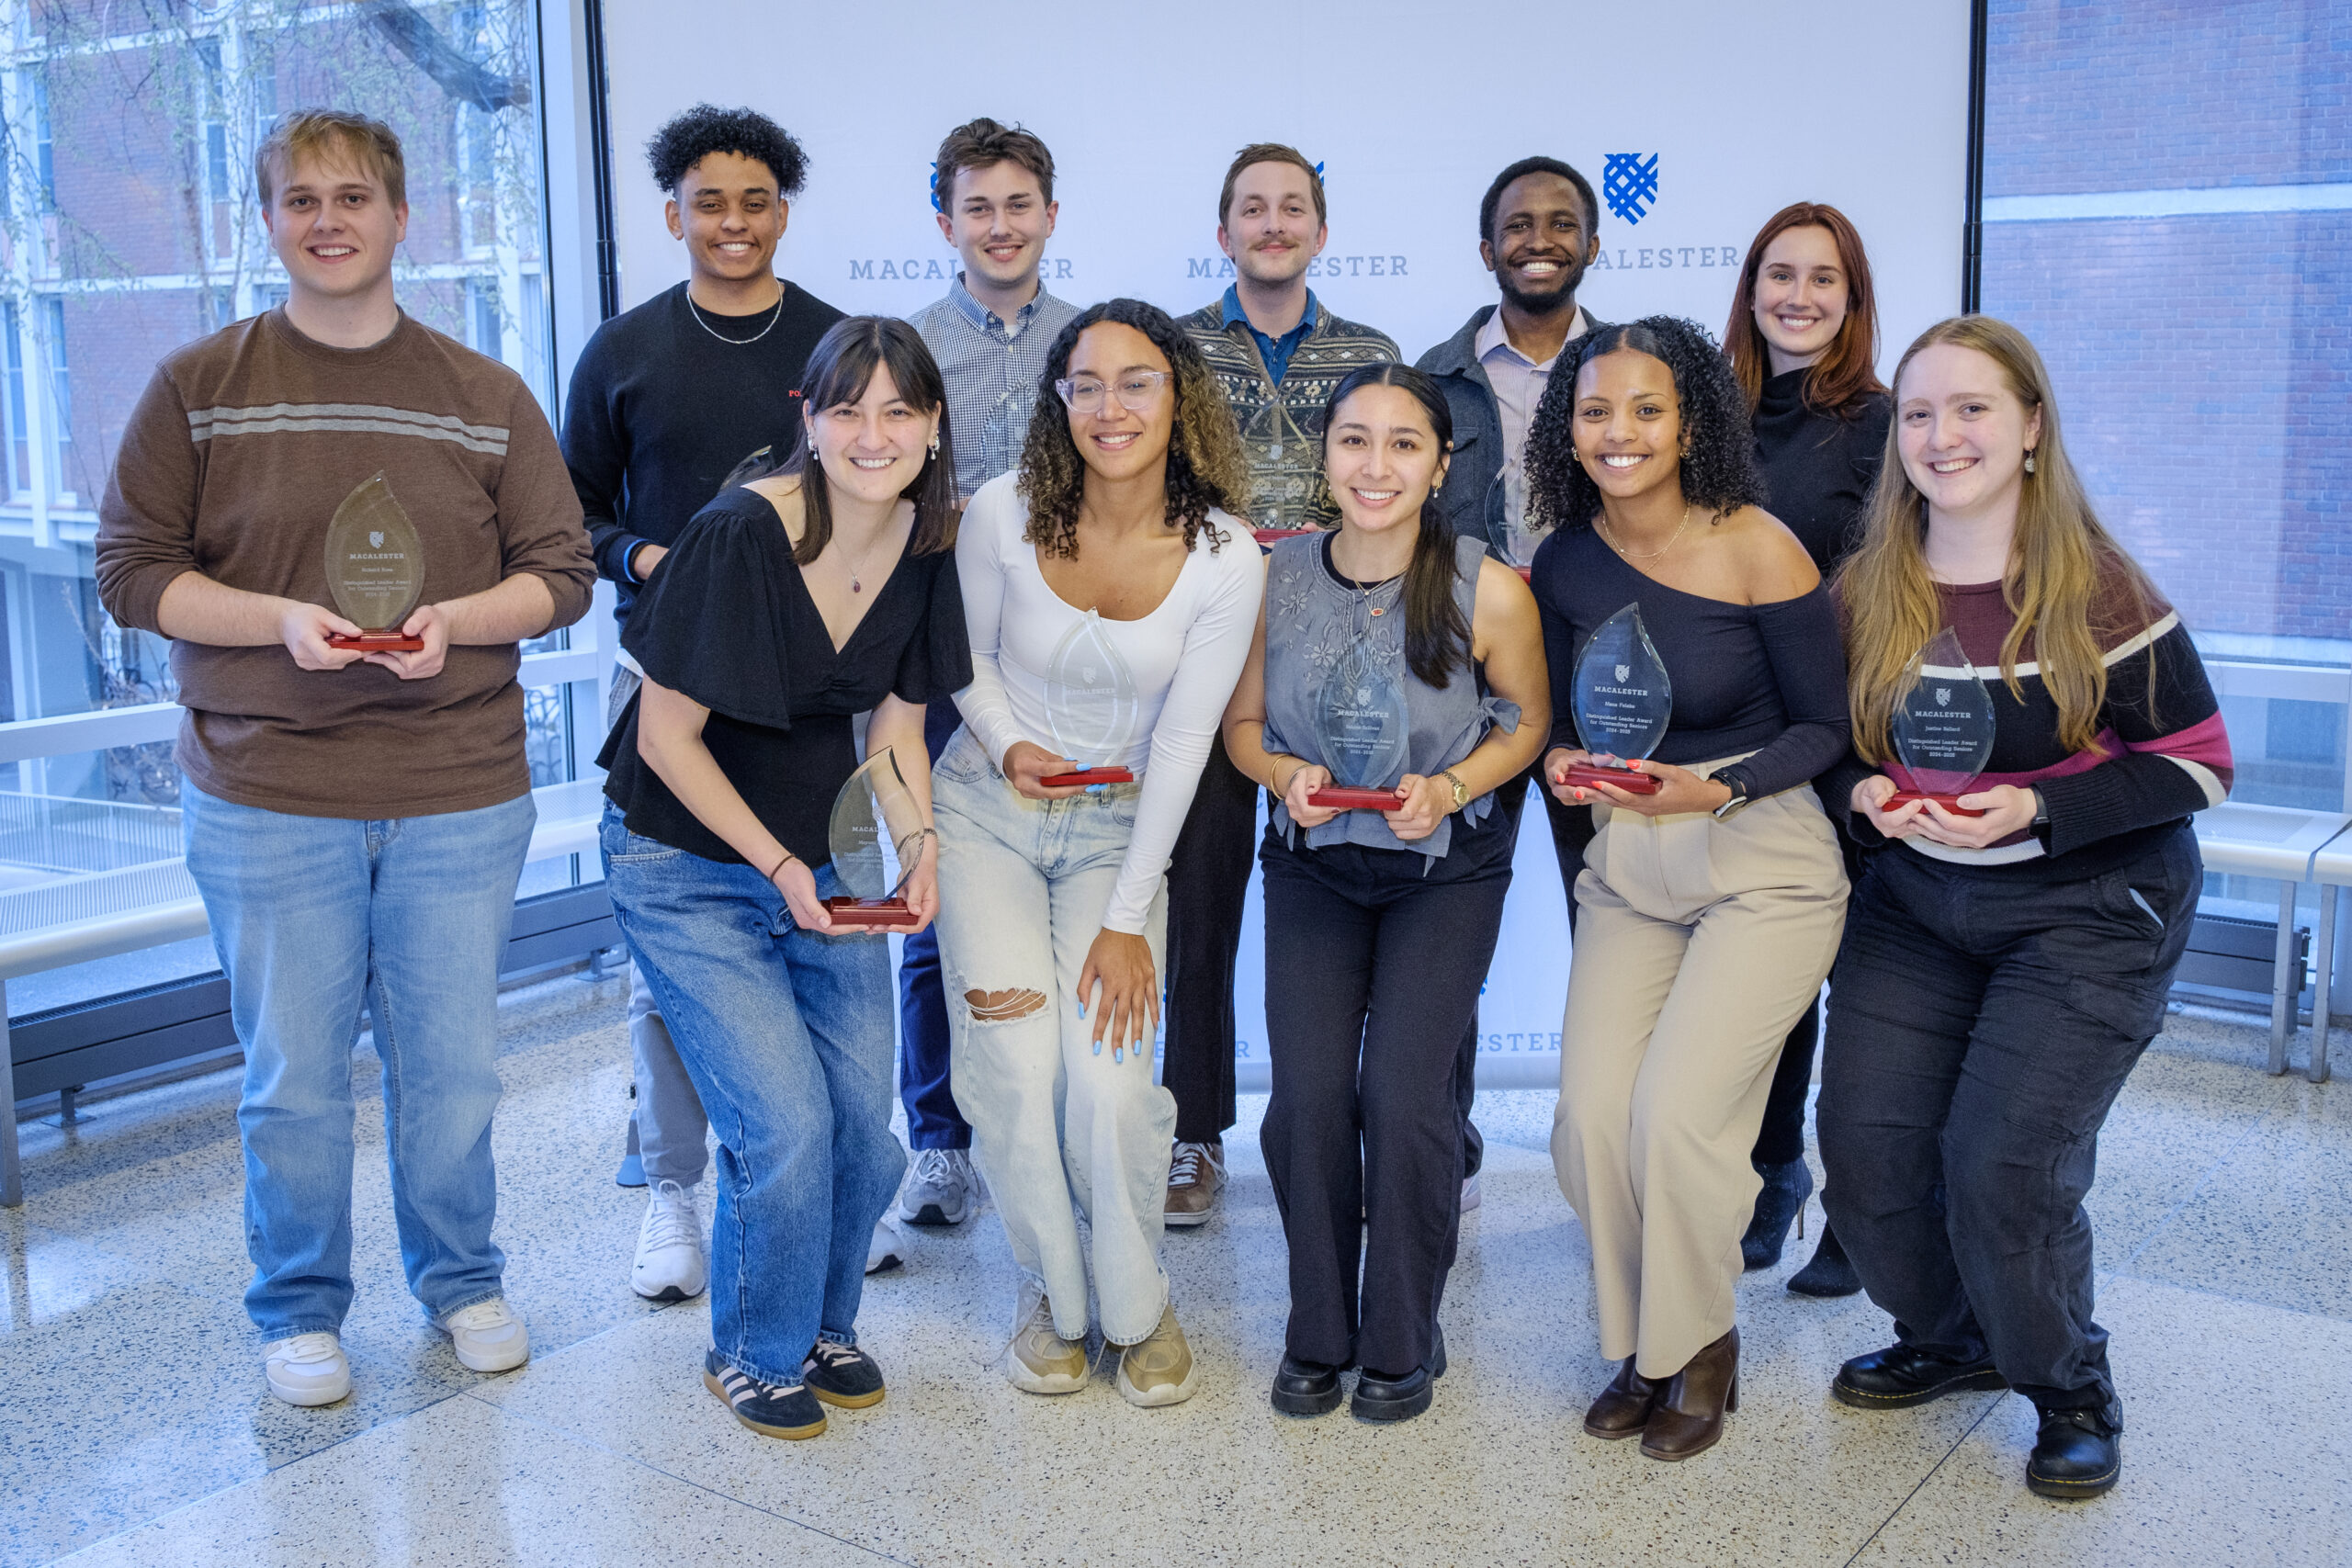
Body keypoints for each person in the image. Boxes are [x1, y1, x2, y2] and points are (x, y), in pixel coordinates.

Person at [93, 109, 594, 1407]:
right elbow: (131, 574)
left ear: (401, 216)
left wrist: (456, 622)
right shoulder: (197, 386)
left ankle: (462, 1277)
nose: (329, 218)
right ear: (267, 220)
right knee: (293, 1082)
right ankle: (301, 1306)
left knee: (455, 1069)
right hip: (270, 793)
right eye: (300, 197)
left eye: (355, 195)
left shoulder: (485, 396)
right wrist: (278, 624)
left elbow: (563, 574)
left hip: (455, 790)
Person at [1815, 316, 2229, 1501]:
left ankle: (2067, 1386)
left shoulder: (2098, 589)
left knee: (2002, 1165)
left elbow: (2197, 763)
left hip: (2089, 909)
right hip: (1919, 906)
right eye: (1919, 413)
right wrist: (1869, 794)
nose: (1943, 436)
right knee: (1867, 1151)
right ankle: (1954, 1339)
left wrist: (2033, 811)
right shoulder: (1867, 589)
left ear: (2032, 427)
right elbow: (1827, 750)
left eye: (1972, 409)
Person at [595, 318, 971, 1441]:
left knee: (865, 1126)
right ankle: (750, 1352)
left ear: (932, 425)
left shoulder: (926, 542)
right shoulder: (738, 534)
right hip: (686, 859)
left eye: (899, 411)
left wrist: (920, 846)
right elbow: (666, 739)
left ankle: (819, 1325)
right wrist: (775, 866)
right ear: (807, 419)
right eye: (846, 410)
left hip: (827, 856)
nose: (872, 434)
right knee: (785, 1126)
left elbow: (895, 740)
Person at [1529, 316, 1850, 1461]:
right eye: (1595, 411)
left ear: (1691, 421)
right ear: (1565, 430)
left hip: (1758, 857)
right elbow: (1572, 713)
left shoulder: (1758, 544)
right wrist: (1560, 757)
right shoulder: (1564, 558)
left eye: (1645, 410)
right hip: (1628, 860)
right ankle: (1641, 1346)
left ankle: (1699, 1344)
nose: (1619, 433)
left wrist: (1717, 792)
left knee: (1675, 1118)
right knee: (1588, 1121)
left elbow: (1829, 725)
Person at [934, 299, 1263, 1408]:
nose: (1110, 407)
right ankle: (1054, 1295)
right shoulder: (1000, 509)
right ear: (1058, 397)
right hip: (985, 812)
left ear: (1178, 398)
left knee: (1115, 1085)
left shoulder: (1224, 553)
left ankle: (1138, 1305)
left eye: (1137, 382)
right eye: (1087, 384)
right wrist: (1010, 742)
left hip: (1118, 835)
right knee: (1020, 1073)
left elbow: (1183, 742)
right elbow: (966, 661)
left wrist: (1128, 918)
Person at [560, 105, 856, 1301]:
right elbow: (567, 516)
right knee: (667, 977)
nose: (733, 222)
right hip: (673, 690)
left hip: (810, 699)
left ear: (784, 211)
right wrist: (642, 560)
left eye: (756, 200)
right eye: (709, 201)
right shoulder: (623, 352)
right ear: (671, 212)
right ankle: (673, 1193)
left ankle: (814, 1185)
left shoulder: (839, 344)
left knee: (817, 945)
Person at [1222, 364, 1548, 1423]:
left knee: (1404, 1101)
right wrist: (1284, 778)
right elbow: (1241, 730)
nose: (1376, 465)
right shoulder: (1274, 581)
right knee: (1309, 1099)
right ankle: (1318, 1328)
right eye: (1354, 440)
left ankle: (1404, 1335)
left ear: (1441, 463)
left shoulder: (1486, 585)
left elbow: (1527, 722)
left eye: (1404, 444)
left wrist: (1451, 785)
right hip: (1315, 865)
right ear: (1323, 456)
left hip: (1442, 871)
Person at [1161, 144, 1400, 1227]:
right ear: (1222, 233)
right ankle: (1191, 1133)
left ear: (1320, 228)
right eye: (1251, 209)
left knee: (1389, 884)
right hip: (1201, 653)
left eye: (1291, 207)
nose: (1272, 223)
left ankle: (1419, 1115)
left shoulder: (1371, 352)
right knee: (1200, 903)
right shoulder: (1174, 350)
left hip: (1342, 654)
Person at [1417, 154, 1615, 1214]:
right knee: (1450, 931)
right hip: (1468, 692)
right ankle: (1442, 1141)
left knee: (1618, 918)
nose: (1538, 237)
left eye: (1561, 221)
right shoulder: (1435, 375)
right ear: (1485, 245)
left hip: (1607, 689)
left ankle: (1613, 1143)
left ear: (1592, 240)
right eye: (1517, 223)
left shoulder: (1636, 375)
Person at [898, 118, 1080, 1230]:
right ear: (945, 222)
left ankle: (1069, 1122)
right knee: (931, 910)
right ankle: (937, 1142)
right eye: (978, 207)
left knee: (1071, 900)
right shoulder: (907, 350)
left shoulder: (1094, 344)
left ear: (1050, 215)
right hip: (938, 661)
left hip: (1073, 665)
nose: (1000, 226)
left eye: (1019, 205)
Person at [1721, 202, 1893, 1295]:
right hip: (1747, 732)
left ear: (1852, 297)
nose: (1797, 296)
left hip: (1854, 730)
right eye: (1778, 275)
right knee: (1771, 982)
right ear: (1749, 290)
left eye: (1821, 279)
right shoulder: (1710, 417)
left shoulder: (1881, 423)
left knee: (1867, 988)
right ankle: (1772, 1167)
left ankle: (1858, 1212)